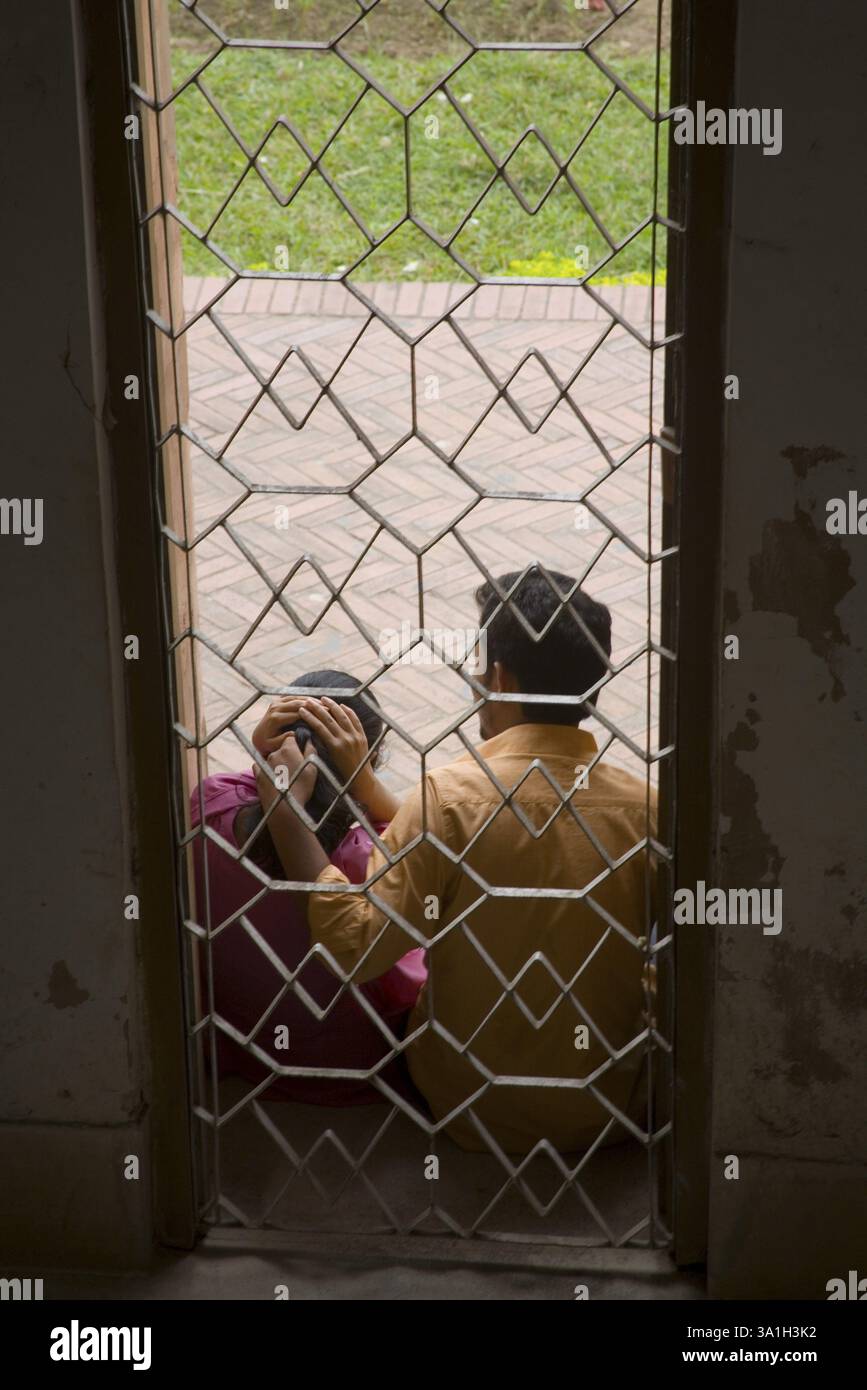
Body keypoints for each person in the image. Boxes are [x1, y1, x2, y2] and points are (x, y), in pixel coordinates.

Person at [257, 571, 655, 1153]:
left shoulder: (443, 798)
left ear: (498, 677)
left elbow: (357, 949)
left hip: (469, 1103)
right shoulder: (648, 811)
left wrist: (286, 818)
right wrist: (368, 785)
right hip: (611, 1105)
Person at [190, 670, 426, 1105]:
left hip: (244, 1048)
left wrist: (263, 753)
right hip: (354, 1067)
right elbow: (420, 841)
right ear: (364, 768)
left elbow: (250, 792)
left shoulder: (209, 810)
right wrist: (368, 787)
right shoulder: (366, 862)